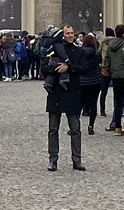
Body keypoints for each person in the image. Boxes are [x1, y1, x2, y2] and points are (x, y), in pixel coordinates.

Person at [40, 25, 90, 172]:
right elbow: (43, 68)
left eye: (72, 33)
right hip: (55, 92)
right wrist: (55, 68)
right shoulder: (53, 49)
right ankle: (53, 159)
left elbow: (85, 69)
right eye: (67, 33)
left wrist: (69, 68)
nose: (70, 35)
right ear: (62, 35)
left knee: (75, 129)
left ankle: (77, 159)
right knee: (53, 129)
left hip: (72, 92)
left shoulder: (79, 51)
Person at [77, 33, 105, 134]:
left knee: (79, 105)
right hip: (95, 81)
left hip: (83, 81)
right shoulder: (97, 54)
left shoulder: (79, 53)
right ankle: (91, 126)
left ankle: (75, 126)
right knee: (93, 104)